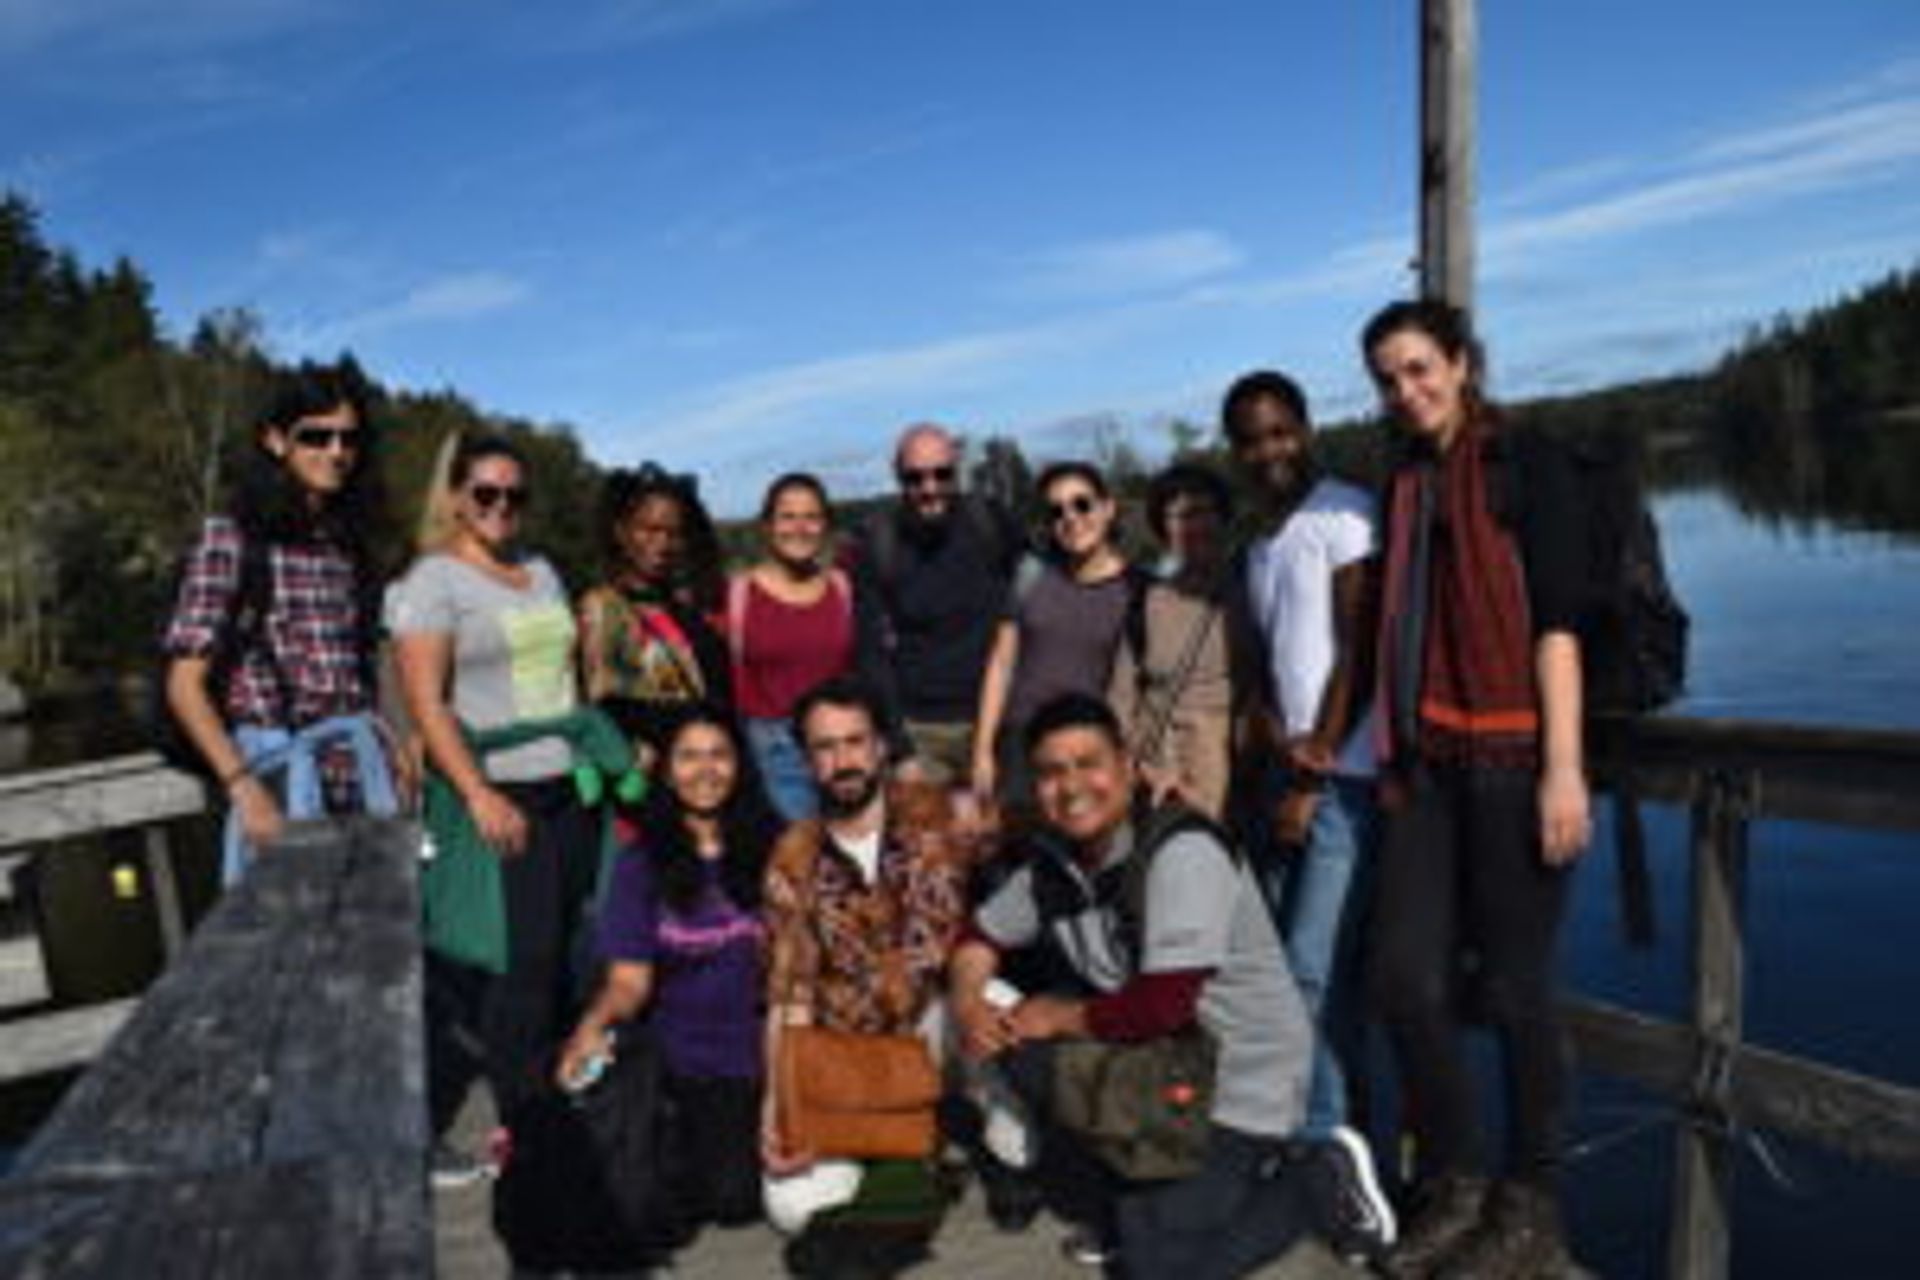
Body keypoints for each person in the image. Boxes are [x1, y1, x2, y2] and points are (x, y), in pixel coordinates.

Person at [947, 694, 1396, 1277]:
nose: (1072, 786)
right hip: (1163, 1066)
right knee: (1019, 1046)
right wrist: (965, 1004)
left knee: (1156, 1266)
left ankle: (1317, 1178)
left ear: (1129, 766)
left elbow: (1162, 1004)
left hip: (1239, 1084)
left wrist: (1057, 1015)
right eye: (1052, 773)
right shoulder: (1053, 865)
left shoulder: (1180, 849)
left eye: (1089, 764)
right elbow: (976, 937)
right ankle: (1129, 1201)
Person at [1361, 299, 1591, 1279]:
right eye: (1388, 376)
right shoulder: (1407, 482)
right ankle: (1457, 1180)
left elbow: (1559, 623)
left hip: (1511, 760)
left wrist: (1565, 767)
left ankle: (1531, 1204)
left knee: (1514, 987)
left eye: (1420, 368)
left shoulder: (1521, 463)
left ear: (1462, 362)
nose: (1406, 390)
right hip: (1427, 765)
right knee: (1403, 975)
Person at [386, 433, 609, 1181]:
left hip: (565, 787)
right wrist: (478, 793)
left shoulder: (540, 570)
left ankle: (550, 1095)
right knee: (518, 961)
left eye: (514, 495)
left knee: (562, 950)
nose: (501, 508)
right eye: (485, 493)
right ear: (455, 496)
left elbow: (568, 677)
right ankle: (525, 1123)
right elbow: (424, 701)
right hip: (499, 791)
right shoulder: (433, 582)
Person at [761, 675, 975, 1278]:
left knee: (984, 993)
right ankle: (910, 1156)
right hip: (851, 1054)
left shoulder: (941, 820)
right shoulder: (793, 855)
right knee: (790, 1204)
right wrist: (777, 1111)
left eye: (855, 742)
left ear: (881, 747)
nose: (843, 760)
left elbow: (1053, 811)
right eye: (825, 748)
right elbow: (787, 995)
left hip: (940, 1031)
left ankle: (952, 1138)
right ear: (806, 760)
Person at [1222, 370, 1383, 1150]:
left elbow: (1361, 646)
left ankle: (1320, 1143)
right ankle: (1333, 1127)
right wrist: (1273, 742)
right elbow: (1267, 669)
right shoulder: (1259, 545)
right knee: (1300, 978)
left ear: (1307, 429)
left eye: (1280, 431)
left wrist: (1316, 764)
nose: (1268, 450)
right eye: (1251, 439)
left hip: (1342, 785)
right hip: (1285, 780)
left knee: (1307, 973)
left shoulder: (1344, 512)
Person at [161, 360, 399, 886]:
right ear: (275, 441)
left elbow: (360, 670)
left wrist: (393, 745)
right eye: (316, 436)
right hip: (280, 772)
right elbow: (184, 685)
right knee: (296, 948)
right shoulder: (231, 538)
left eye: (348, 438)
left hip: (361, 771)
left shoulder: (345, 543)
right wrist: (245, 789)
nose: (336, 452)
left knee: (370, 941)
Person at [558, 704, 782, 1251]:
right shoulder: (641, 861)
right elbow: (629, 981)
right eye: (688, 757)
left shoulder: (777, 847)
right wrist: (591, 1025)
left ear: (740, 764)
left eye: (719, 755)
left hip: (757, 1062)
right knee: (668, 1202)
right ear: (665, 769)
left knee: (736, 1201)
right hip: (676, 1064)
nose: (705, 771)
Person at [849, 423, 1021, 785]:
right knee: (923, 839)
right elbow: (871, 654)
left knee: (1002, 837)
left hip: (994, 719)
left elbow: (1039, 587)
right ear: (898, 477)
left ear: (956, 470)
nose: (930, 489)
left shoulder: (991, 523)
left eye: (942, 475)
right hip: (920, 729)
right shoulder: (878, 543)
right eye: (916, 478)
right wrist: (901, 749)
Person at [972, 461, 1136, 808]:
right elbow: (1002, 663)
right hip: (1020, 744)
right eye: (1057, 510)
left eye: (1082, 504)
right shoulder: (1031, 575)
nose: (1071, 518)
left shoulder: (1138, 591)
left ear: (1108, 508)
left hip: (1085, 747)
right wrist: (983, 750)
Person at [1107, 462, 1259, 822]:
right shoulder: (1149, 598)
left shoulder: (1253, 586)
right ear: (1162, 529)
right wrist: (1128, 759)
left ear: (1224, 517)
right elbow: (1122, 690)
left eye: (1202, 512)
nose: (1192, 526)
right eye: (1177, 516)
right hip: (1150, 760)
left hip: (1221, 764)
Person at [578, 463, 732, 767]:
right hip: (649, 779)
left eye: (673, 533)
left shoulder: (684, 606)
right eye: (648, 529)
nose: (662, 544)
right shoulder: (603, 607)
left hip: (703, 769)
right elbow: (606, 702)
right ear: (622, 532)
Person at [725, 472, 855, 820]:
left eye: (811, 517)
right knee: (798, 862)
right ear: (767, 526)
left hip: (843, 749)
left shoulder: (842, 588)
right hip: (774, 754)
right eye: (788, 517)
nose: (800, 527)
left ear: (826, 525)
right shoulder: (738, 595)